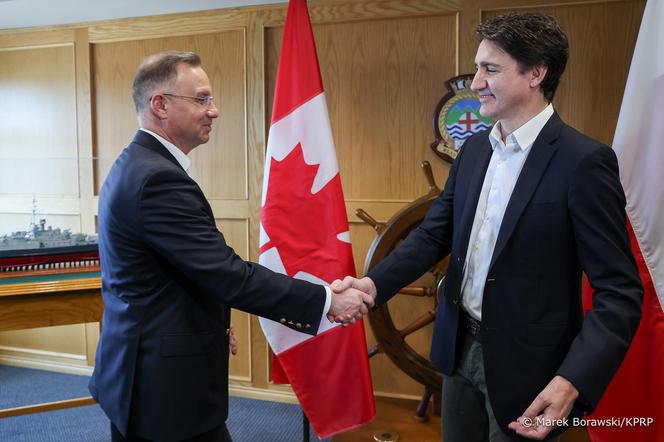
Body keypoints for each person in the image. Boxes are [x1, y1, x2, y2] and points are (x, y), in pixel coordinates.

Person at [332, 12, 643, 442]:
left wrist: (572, 380)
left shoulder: (584, 163)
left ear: (536, 73)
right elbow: (431, 235)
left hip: (533, 370)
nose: (475, 82)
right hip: (457, 352)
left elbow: (620, 293)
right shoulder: (475, 150)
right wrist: (371, 286)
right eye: (479, 67)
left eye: (489, 69)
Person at [89, 51, 373, 442]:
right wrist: (327, 299)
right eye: (202, 99)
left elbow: (173, 273)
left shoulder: (139, 164)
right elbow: (226, 273)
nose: (214, 110)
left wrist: (212, 320)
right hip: (161, 386)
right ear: (161, 104)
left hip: (145, 366)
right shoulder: (156, 179)